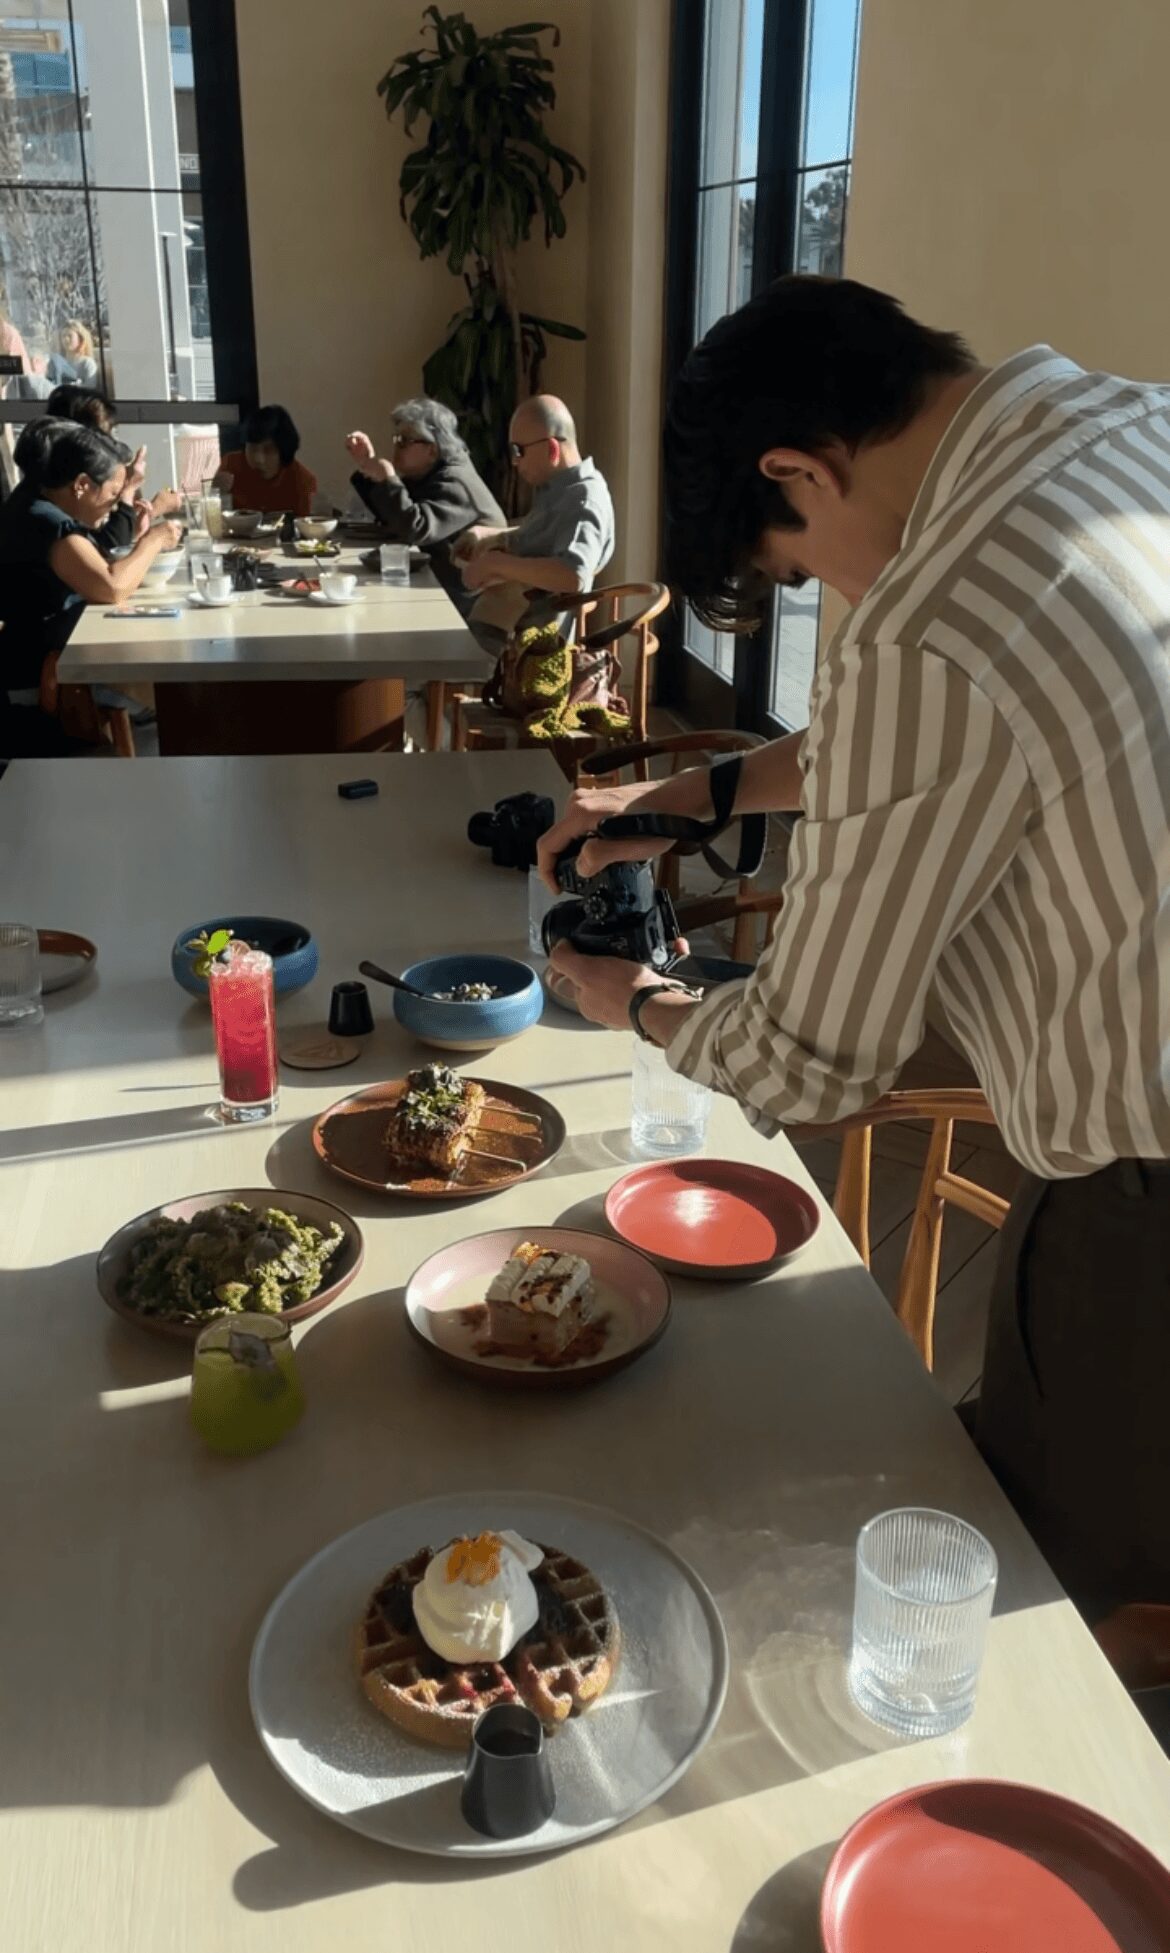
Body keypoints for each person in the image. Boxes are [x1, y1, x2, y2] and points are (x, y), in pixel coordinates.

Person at [540, 275, 1170, 1625]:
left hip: (1146, 1210)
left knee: (1054, 1604)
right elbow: (977, 721)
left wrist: (632, 998)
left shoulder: (938, 611)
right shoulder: (1131, 428)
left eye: (795, 567)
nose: (830, 593)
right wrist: (697, 792)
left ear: (798, 471)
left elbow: (809, 1064)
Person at [0, 422, 182, 756]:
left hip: (46, 665)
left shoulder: (30, 504)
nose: (114, 505)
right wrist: (155, 540)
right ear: (82, 485)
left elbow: (96, 567)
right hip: (39, 686)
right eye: (113, 494)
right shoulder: (46, 522)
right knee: (171, 687)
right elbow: (111, 587)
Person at [458, 394, 614, 647]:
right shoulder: (558, 489)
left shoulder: (583, 500)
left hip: (526, 646)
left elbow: (573, 574)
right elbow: (546, 535)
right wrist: (491, 535)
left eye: (519, 451)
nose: (514, 461)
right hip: (504, 621)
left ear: (552, 449)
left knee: (421, 648)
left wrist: (497, 564)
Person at [345, 397, 504, 614]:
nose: (396, 446)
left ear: (432, 450)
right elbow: (393, 516)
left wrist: (388, 479)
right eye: (396, 438)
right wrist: (369, 465)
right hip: (437, 584)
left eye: (404, 441)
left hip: (470, 600)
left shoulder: (456, 482)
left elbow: (415, 529)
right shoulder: (431, 473)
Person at [216, 405, 317, 515]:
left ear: (284, 450)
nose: (259, 459)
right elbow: (213, 515)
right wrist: (215, 493)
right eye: (252, 448)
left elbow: (305, 523)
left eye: (269, 450)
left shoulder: (303, 482)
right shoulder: (230, 465)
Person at [47, 321, 98, 387]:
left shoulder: (87, 363)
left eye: (70, 336)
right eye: (63, 336)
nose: (66, 339)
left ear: (80, 339)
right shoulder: (54, 362)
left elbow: (90, 387)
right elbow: (48, 384)